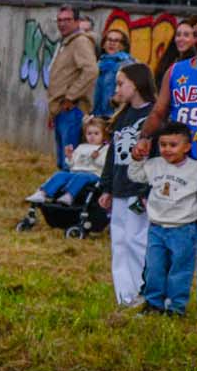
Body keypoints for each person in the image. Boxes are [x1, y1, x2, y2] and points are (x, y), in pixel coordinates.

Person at [99, 63, 157, 305]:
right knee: (120, 242)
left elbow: (156, 157)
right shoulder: (122, 116)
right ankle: (125, 297)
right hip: (120, 189)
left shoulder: (154, 116)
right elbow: (112, 155)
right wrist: (106, 188)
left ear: (136, 84)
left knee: (136, 241)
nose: (117, 89)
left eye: (121, 83)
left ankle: (144, 292)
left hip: (139, 190)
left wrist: (146, 190)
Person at [128, 121, 197, 316]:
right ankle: (154, 304)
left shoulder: (194, 170)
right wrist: (136, 159)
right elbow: (135, 176)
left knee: (180, 270)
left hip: (183, 229)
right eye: (163, 144)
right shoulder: (154, 165)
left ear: (187, 147)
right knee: (154, 268)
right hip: (156, 228)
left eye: (173, 145)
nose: (167, 149)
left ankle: (176, 307)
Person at [45, 6, 97, 170]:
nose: (62, 24)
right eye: (59, 20)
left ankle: (70, 186)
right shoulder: (66, 42)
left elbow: (91, 70)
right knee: (63, 160)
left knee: (70, 161)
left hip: (72, 110)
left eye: (67, 20)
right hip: (61, 109)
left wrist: (71, 96)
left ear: (77, 21)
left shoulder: (80, 41)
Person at [27, 116, 109, 205]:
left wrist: (96, 158)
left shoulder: (105, 148)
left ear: (103, 135)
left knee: (81, 176)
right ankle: (43, 193)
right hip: (75, 173)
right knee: (60, 174)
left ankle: (69, 195)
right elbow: (72, 164)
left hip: (93, 175)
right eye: (89, 133)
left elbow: (105, 165)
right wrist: (70, 157)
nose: (92, 136)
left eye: (96, 134)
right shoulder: (81, 147)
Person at [94, 28, 133, 117]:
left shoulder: (127, 64)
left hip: (114, 114)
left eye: (116, 41)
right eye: (109, 40)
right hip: (96, 114)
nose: (112, 43)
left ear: (123, 46)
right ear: (103, 44)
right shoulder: (98, 63)